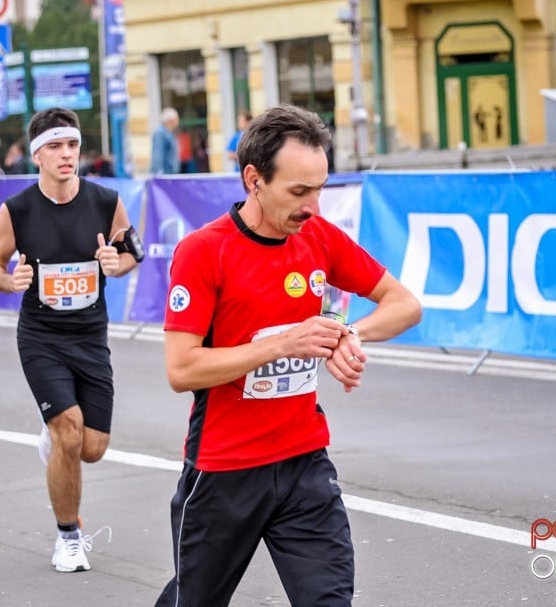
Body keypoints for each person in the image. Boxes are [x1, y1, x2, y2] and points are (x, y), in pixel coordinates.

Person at [157, 104, 422, 606]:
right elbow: (181, 368)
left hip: (303, 462)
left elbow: (405, 305)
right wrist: (283, 344)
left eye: (320, 188)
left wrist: (347, 334)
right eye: (299, 192)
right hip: (224, 470)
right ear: (253, 179)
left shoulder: (318, 237)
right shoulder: (203, 251)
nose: (314, 207)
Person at [0, 107, 141, 573]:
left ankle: (55, 441)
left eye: (71, 145)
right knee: (68, 430)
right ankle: (68, 537)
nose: (67, 154)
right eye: (55, 146)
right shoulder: (17, 210)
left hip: (91, 337)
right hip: (41, 338)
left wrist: (119, 264)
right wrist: (9, 281)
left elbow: (135, 249)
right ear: (37, 155)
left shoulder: (105, 200)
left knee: (91, 448)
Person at [150, 107, 180, 174]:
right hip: (166, 175)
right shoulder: (160, 133)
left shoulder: (169, 133)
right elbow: (157, 154)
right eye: (177, 118)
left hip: (171, 174)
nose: (178, 120)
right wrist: (159, 174)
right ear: (170, 120)